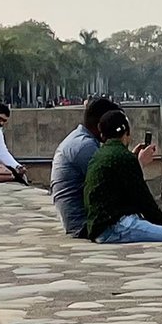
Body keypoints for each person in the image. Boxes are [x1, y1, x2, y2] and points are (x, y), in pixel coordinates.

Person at [82, 110, 162, 251]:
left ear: (103, 134)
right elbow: (146, 203)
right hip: (116, 228)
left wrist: (133, 159)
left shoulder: (99, 155)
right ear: (126, 132)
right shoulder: (124, 158)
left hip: (98, 229)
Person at [52, 97, 130, 237]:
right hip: (84, 225)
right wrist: (138, 164)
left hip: (83, 222)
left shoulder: (81, 139)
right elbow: (116, 187)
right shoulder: (85, 147)